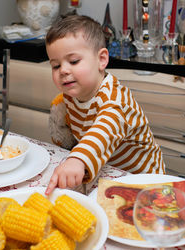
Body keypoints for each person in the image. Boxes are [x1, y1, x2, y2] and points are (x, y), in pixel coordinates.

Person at [44, 15, 165, 195]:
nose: (63, 70)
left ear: (101, 60)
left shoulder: (117, 100)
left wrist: (78, 159)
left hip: (145, 184)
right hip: (107, 176)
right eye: (55, 65)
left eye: (74, 61)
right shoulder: (69, 97)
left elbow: (103, 132)